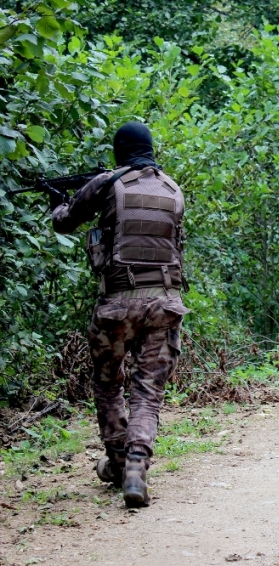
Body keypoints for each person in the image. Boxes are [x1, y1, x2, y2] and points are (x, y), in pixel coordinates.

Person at [52, 122, 189, 507]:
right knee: (148, 392)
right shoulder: (173, 189)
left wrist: (56, 201)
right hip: (164, 304)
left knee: (108, 382)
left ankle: (115, 458)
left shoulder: (107, 182)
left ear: (119, 150)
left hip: (117, 305)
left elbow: (64, 221)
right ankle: (134, 467)